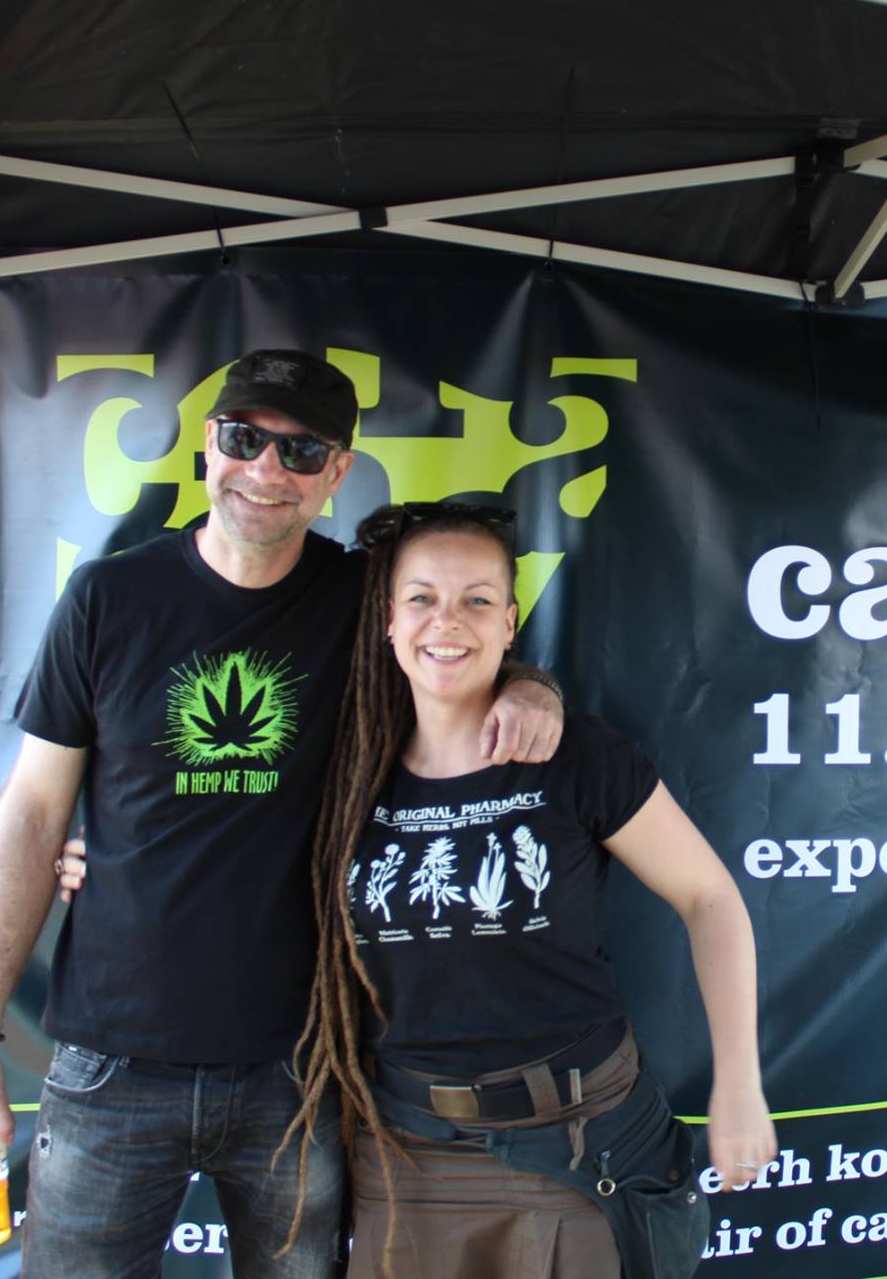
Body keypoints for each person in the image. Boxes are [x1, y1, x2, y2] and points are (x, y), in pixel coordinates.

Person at [0, 350, 565, 1277]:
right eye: (245, 437)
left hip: (299, 1067)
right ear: (208, 445)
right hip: (110, 1064)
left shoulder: (362, 600)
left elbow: (457, 641)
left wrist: (533, 686)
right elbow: (29, 814)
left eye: (302, 451)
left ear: (337, 472)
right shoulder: (108, 597)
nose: (266, 468)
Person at [278, 501, 774, 1278]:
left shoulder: (576, 756)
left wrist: (739, 1085)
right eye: (422, 597)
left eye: (477, 599)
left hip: (576, 1143)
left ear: (510, 622)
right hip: (407, 1154)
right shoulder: (343, 772)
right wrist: (91, 858)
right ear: (387, 620)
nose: (448, 620)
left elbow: (710, 899)